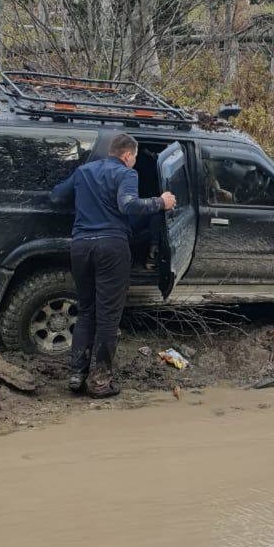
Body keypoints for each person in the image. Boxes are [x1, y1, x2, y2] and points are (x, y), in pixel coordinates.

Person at [50, 133, 176, 397]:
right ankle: (100, 382)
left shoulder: (84, 171)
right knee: (108, 317)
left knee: (87, 312)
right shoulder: (126, 174)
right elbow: (128, 205)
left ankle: (77, 375)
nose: (134, 162)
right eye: (135, 157)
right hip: (111, 248)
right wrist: (161, 202)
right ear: (127, 155)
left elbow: (57, 197)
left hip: (81, 246)